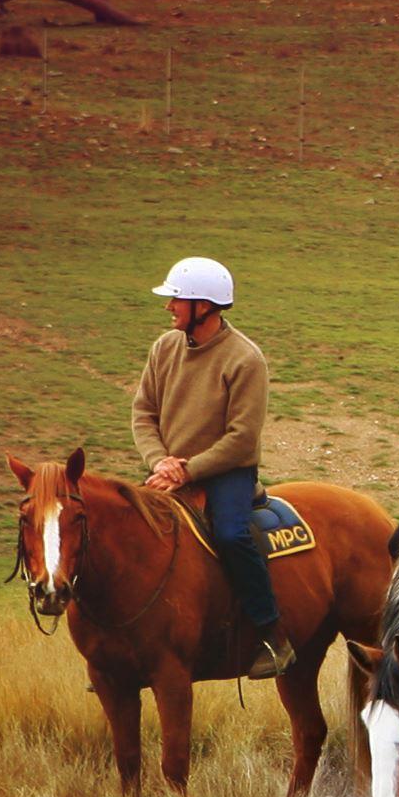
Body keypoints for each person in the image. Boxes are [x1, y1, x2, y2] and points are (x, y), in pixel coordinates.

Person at [134, 255, 293, 679]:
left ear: (203, 306)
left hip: (227, 472)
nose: (168, 307)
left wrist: (188, 470)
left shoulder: (245, 359)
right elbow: (143, 413)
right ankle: (123, 647)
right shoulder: (164, 348)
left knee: (230, 533)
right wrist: (160, 460)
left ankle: (271, 636)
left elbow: (241, 439)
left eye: (176, 300)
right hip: (167, 469)